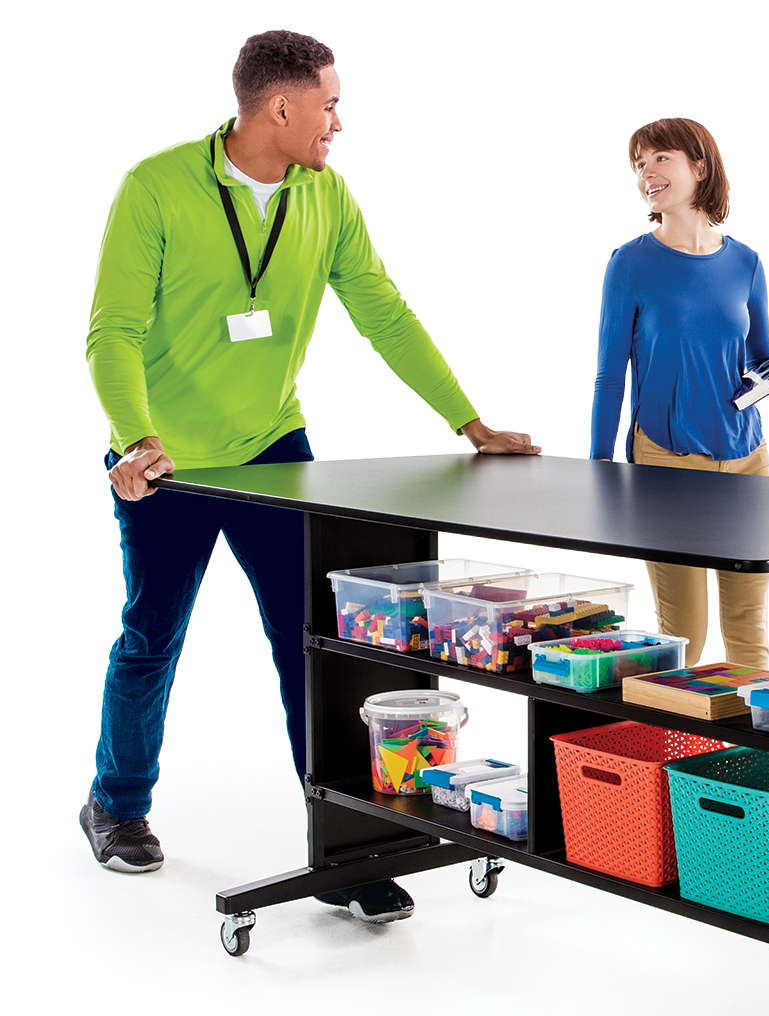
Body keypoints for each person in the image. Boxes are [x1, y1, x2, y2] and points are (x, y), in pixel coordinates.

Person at [82, 30, 540, 924]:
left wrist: (469, 422)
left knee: (315, 647)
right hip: (167, 462)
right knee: (152, 634)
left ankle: (346, 844)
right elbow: (114, 330)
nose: (339, 122)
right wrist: (136, 441)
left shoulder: (326, 196)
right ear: (280, 107)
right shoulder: (156, 186)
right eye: (329, 105)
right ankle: (117, 803)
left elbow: (382, 311)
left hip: (273, 450)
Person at [590, 118, 769, 669]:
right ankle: (670, 731)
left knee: (748, 632)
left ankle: (753, 729)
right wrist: (598, 468)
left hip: (748, 461)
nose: (646, 172)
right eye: (639, 164)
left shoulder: (746, 262)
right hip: (666, 465)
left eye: (660, 158)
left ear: (700, 165)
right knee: (683, 638)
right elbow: (610, 376)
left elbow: (757, 359)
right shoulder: (630, 263)